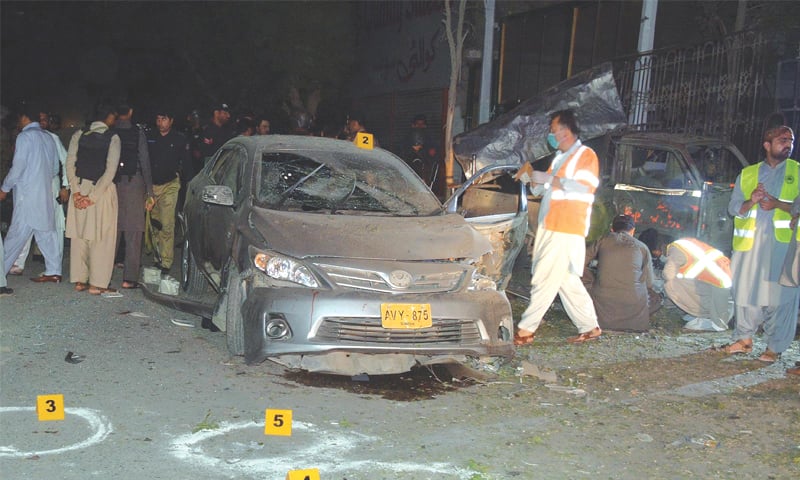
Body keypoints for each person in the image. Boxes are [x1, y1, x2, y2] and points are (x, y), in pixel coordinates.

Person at [513, 109, 601, 344]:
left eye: (553, 131)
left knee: (545, 276)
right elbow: (541, 189)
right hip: (554, 225)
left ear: (564, 131)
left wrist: (548, 179)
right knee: (566, 280)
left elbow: (585, 188)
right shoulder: (561, 158)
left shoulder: (586, 155)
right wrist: (532, 179)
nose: (551, 135)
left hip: (565, 226)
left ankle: (526, 330)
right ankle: (590, 327)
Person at [723, 124, 800, 362]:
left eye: (791, 140)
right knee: (745, 292)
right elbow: (734, 208)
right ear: (767, 145)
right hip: (750, 247)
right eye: (782, 139)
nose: (788, 144)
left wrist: (779, 205)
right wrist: (751, 201)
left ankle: (774, 348)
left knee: (780, 298)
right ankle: (744, 339)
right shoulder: (748, 174)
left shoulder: (797, 172)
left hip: (784, 247)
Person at [0, 102, 62, 283]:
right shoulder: (48, 138)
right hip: (43, 194)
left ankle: (0, 271)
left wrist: (5, 188)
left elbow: (17, 167)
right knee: (46, 233)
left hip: (26, 195)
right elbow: (54, 169)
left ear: (23, 118)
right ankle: (54, 270)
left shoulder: (24, 137)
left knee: (16, 235)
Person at [66, 104, 120, 294]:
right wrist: (93, 197)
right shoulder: (112, 137)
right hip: (101, 191)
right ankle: (97, 284)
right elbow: (110, 170)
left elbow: (70, 162)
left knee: (80, 236)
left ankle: (80, 280)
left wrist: (76, 191)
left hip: (79, 187)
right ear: (109, 117)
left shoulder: (79, 135)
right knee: (102, 237)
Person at [584, 214, 659, 332]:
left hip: (603, 303)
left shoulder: (603, 240)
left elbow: (579, 262)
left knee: (578, 279)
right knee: (657, 298)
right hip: (634, 309)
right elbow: (649, 282)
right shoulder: (642, 247)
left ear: (612, 229)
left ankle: (598, 319)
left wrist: (592, 278)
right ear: (633, 230)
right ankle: (632, 322)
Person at [113, 104, 154, 289]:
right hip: (134, 182)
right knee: (134, 232)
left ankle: (102, 274)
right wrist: (149, 191)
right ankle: (129, 278)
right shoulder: (137, 132)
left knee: (112, 231)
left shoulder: (110, 131)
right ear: (130, 112)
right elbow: (145, 160)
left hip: (112, 184)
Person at [147, 108, 190, 274]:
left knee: (167, 223)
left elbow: (186, 164)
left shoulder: (179, 139)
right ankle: (157, 258)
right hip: (152, 186)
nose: (160, 123)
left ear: (171, 120)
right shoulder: (150, 137)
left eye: (164, 119)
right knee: (155, 223)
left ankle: (166, 261)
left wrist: (188, 185)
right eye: (158, 119)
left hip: (170, 185)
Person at [662, 237, 732, 331]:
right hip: (724, 282)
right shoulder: (685, 244)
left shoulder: (675, 249)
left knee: (670, 283)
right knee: (679, 276)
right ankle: (702, 313)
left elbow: (668, 274)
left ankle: (705, 315)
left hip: (721, 287)